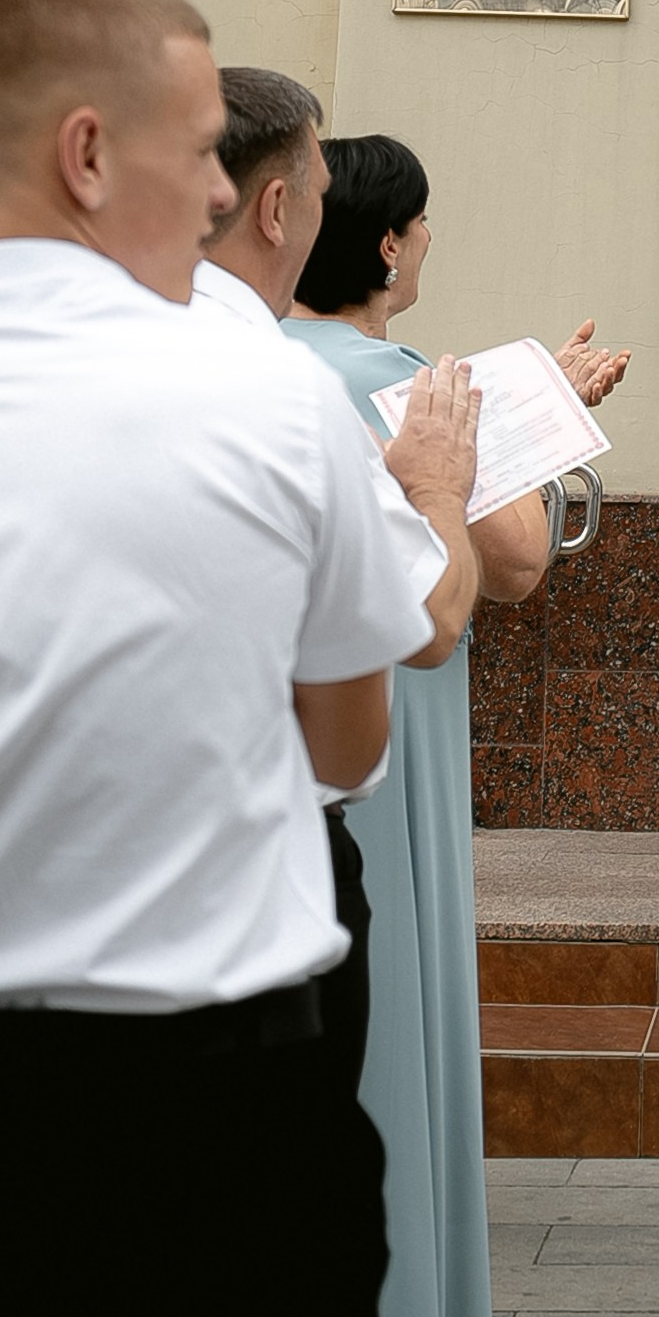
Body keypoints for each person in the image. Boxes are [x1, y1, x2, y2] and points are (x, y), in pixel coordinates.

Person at [0, 0, 476, 1317]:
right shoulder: (255, 387)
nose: (225, 195)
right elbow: (342, 742)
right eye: (199, 150)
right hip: (211, 1104)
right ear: (91, 152)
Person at [285, 130, 629, 1317]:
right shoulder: (404, 388)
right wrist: (535, 424)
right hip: (386, 722)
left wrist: (527, 392)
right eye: (422, 229)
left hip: (271, 739)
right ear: (384, 243)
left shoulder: (259, 364)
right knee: (392, 1044)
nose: (429, 248)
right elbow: (517, 566)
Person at [197, 67, 478, 1102]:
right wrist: (438, 489)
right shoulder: (288, 392)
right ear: (278, 207)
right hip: (255, 873)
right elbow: (428, 621)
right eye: (316, 190)